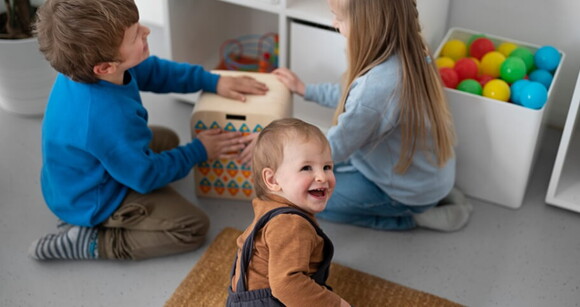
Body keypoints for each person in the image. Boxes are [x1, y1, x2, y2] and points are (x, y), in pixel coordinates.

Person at [28, 0, 268, 261]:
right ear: (105, 67)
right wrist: (200, 151)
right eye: (135, 35)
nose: (147, 31)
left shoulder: (90, 70)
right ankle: (93, 241)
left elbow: (154, 71)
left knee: (166, 139)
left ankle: (90, 214)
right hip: (93, 200)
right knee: (192, 227)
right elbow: (144, 176)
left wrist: (212, 80)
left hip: (76, 179)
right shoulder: (106, 117)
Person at [247, 0, 473, 232]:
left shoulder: (378, 87)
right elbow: (351, 97)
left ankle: (415, 217)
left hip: (404, 190)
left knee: (304, 199)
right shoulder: (410, 49)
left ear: (366, 26)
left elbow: (334, 149)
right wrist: (305, 89)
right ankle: (436, 194)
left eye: (339, 18)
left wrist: (277, 150)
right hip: (424, 175)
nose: (334, 23)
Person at [227, 118, 350, 307]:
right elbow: (287, 284)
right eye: (306, 168)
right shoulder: (291, 224)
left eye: (327, 166)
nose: (322, 176)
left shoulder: (269, 206)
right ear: (273, 180)